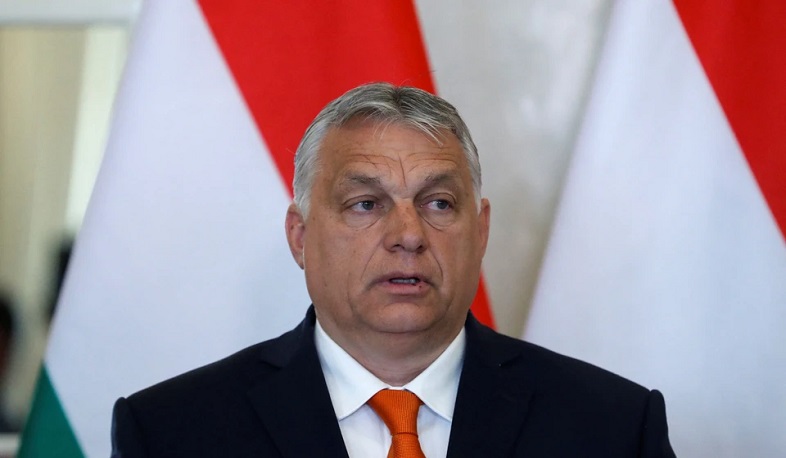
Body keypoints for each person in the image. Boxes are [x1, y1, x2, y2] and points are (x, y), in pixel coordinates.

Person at [111, 83, 676, 457]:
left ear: (480, 232)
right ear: (300, 236)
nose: (408, 234)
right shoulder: (170, 432)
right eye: (366, 204)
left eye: (439, 203)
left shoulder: (613, 428)